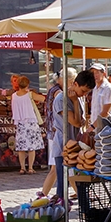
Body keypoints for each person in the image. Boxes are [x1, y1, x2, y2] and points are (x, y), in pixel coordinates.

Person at [51, 70, 96, 204]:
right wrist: (76, 102)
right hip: (62, 145)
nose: (84, 95)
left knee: (79, 180)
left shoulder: (78, 98)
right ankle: (61, 215)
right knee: (62, 184)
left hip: (75, 144)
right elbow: (76, 121)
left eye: (87, 92)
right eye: (83, 91)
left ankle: (84, 207)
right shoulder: (62, 99)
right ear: (75, 84)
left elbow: (80, 120)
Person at [40, 69, 75, 198]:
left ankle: (77, 193)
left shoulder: (52, 89)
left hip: (52, 131)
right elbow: (66, 116)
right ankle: (43, 194)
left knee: (63, 169)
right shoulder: (59, 94)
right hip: (57, 133)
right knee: (57, 168)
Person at [11, 75, 46, 174]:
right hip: (31, 122)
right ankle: (30, 167)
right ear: (27, 84)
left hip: (20, 123)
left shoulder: (14, 96)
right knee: (31, 147)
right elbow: (43, 98)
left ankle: (22, 168)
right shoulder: (30, 94)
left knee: (21, 147)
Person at [88, 62, 111, 130]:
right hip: (96, 127)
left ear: (104, 74)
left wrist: (91, 127)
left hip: (107, 128)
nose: (95, 75)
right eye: (93, 73)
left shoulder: (109, 88)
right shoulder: (95, 88)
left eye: (97, 72)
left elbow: (105, 112)